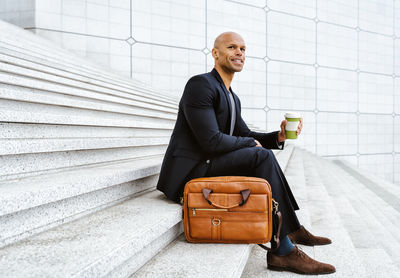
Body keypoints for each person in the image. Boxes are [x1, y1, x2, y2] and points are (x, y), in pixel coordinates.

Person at [156, 31, 335, 275]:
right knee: (260, 156)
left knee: (262, 153)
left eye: (243, 49)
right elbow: (210, 141)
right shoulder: (200, 85)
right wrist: (250, 143)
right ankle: (283, 250)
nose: (239, 52)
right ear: (215, 53)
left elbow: (243, 132)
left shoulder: (231, 96)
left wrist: (278, 137)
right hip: (189, 172)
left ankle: (291, 229)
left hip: (209, 162)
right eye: (232, 47)